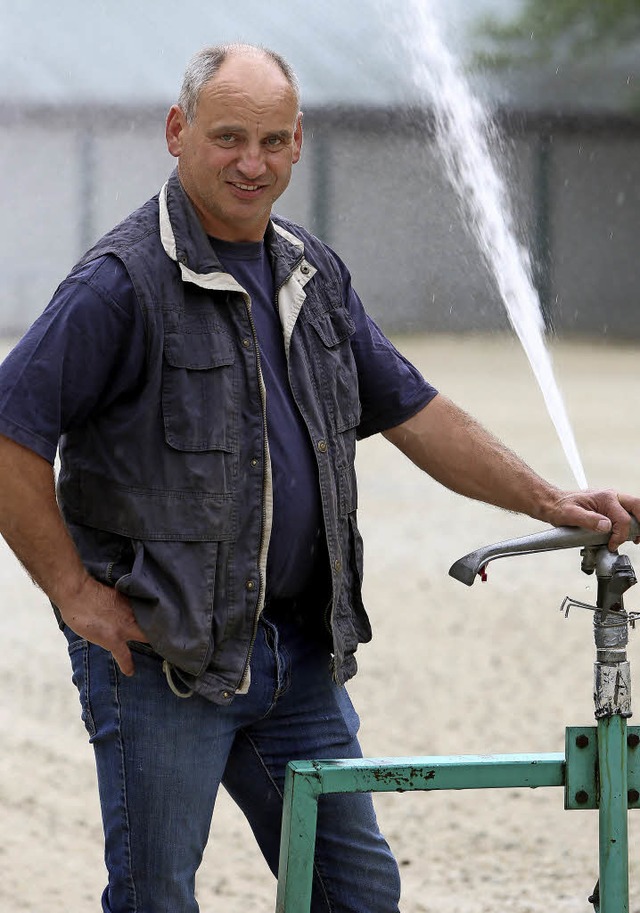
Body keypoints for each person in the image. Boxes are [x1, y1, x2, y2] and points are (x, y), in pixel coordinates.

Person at [0, 42, 638, 913]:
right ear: (177, 132)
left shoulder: (314, 273)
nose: (251, 163)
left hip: (298, 658)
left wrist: (552, 500)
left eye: (271, 140)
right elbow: (11, 433)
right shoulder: (121, 285)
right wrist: (74, 591)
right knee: (156, 899)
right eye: (228, 138)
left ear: (299, 142)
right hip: (163, 660)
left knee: (360, 894)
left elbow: (417, 411)